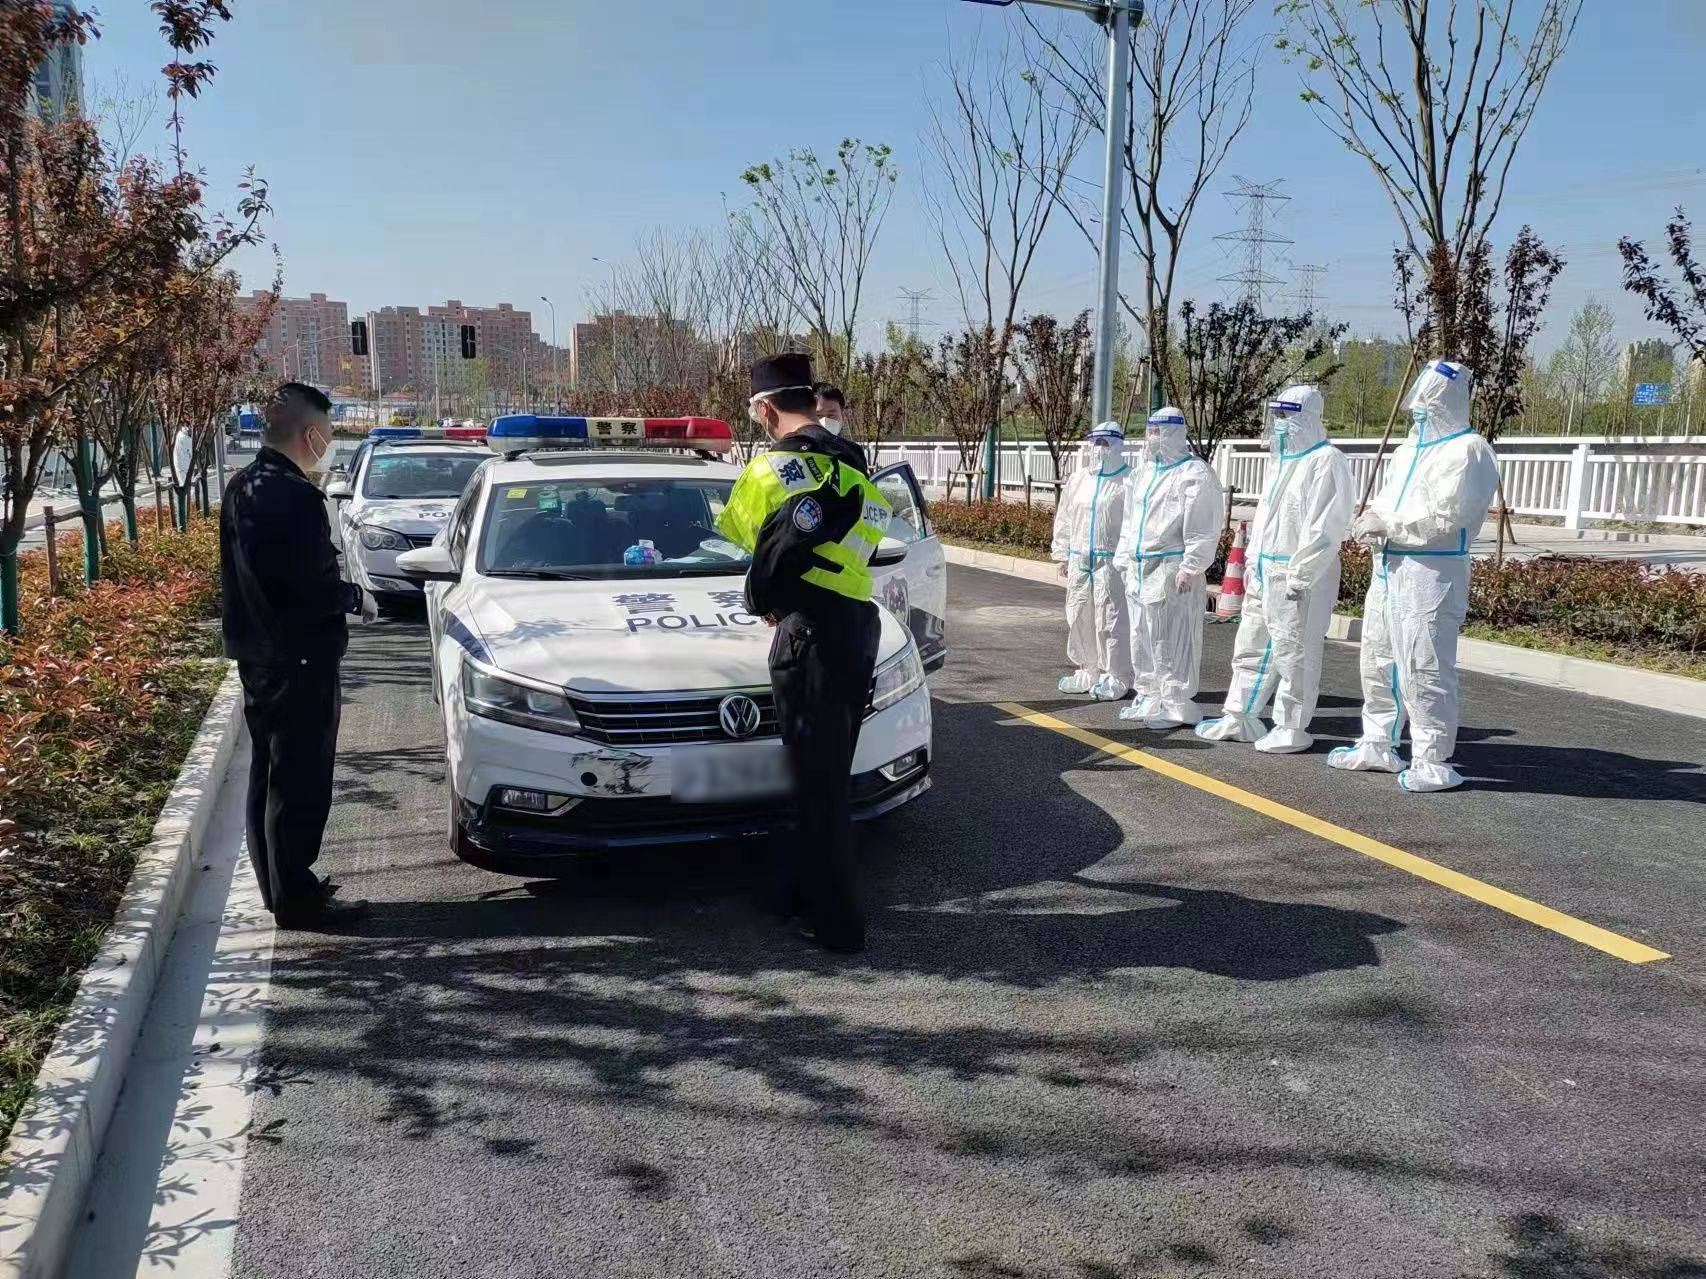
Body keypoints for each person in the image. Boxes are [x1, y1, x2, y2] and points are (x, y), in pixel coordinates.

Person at [716, 353, 892, 953]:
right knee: (830, 775)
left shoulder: (766, 472)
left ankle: (836, 925)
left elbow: (746, 543)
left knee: (816, 786)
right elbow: (868, 543)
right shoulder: (854, 466)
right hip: (857, 625)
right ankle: (799, 894)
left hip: (808, 633)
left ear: (766, 409)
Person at [221, 382, 374, 928]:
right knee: (300, 782)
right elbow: (313, 586)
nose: (328, 443)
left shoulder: (242, 485)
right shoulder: (297, 497)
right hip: (299, 659)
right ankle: (298, 900)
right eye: (327, 433)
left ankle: (278, 887)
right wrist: (355, 598)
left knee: (269, 773)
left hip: (260, 656)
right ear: (310, 434)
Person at [1326, 358, 1499, 792]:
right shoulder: (1407, 451)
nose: (1419, 410)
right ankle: (1377, 741)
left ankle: (1431, 758)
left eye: (1429, 402)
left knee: (1424, 664)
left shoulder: (1469, 450)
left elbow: (1450, 516)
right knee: (1377, 658)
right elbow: (1389, 502)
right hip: (1388, 566)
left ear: (1449, 401)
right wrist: (1373, 522)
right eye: (1418, 402)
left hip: (1431, 571)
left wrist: (1392, 526)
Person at [1196, 386, 1353, 752]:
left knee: (1295, 653)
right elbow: (1267, 521)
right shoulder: (1282, 462)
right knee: (1250, 645)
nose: (1279, 424)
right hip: (1266, 571)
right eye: (1277, 416)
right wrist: (1252, 562)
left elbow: (1325, 527)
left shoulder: (1326, 461)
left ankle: (1291, 726)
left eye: (1286, 416)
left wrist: (1302, 573)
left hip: (1298, 575)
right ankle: (1240, 715)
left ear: (1307, 418)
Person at [1116, 406, 1223, 729]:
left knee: (1171, 640)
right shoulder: (1143, 474)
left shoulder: (1194, 474)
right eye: (1149, 431)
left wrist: (1191, 566)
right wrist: (1123, 558)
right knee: (1142, 637)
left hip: (1170, 570)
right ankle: (1149, 694)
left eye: (1157, 432)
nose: (1151, 438)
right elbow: (1129, 522)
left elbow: (1203, 527)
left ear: (1174, 433)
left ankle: (1176, 702)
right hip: (1139, 568)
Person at [1049, 421, 1133, 700]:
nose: (1099, 448)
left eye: (1105, 442)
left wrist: (1127, 558)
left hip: (1111, 563)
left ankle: (1116, 675)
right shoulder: (1079, 480)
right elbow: (1065, 517)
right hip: (1080, 560)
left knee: (1110, 620)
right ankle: (1088, 670)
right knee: (1079, 615)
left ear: (1118, 445)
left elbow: (1133, 524)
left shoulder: (1128, 481)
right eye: (1095, 442)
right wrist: (1062, 552)